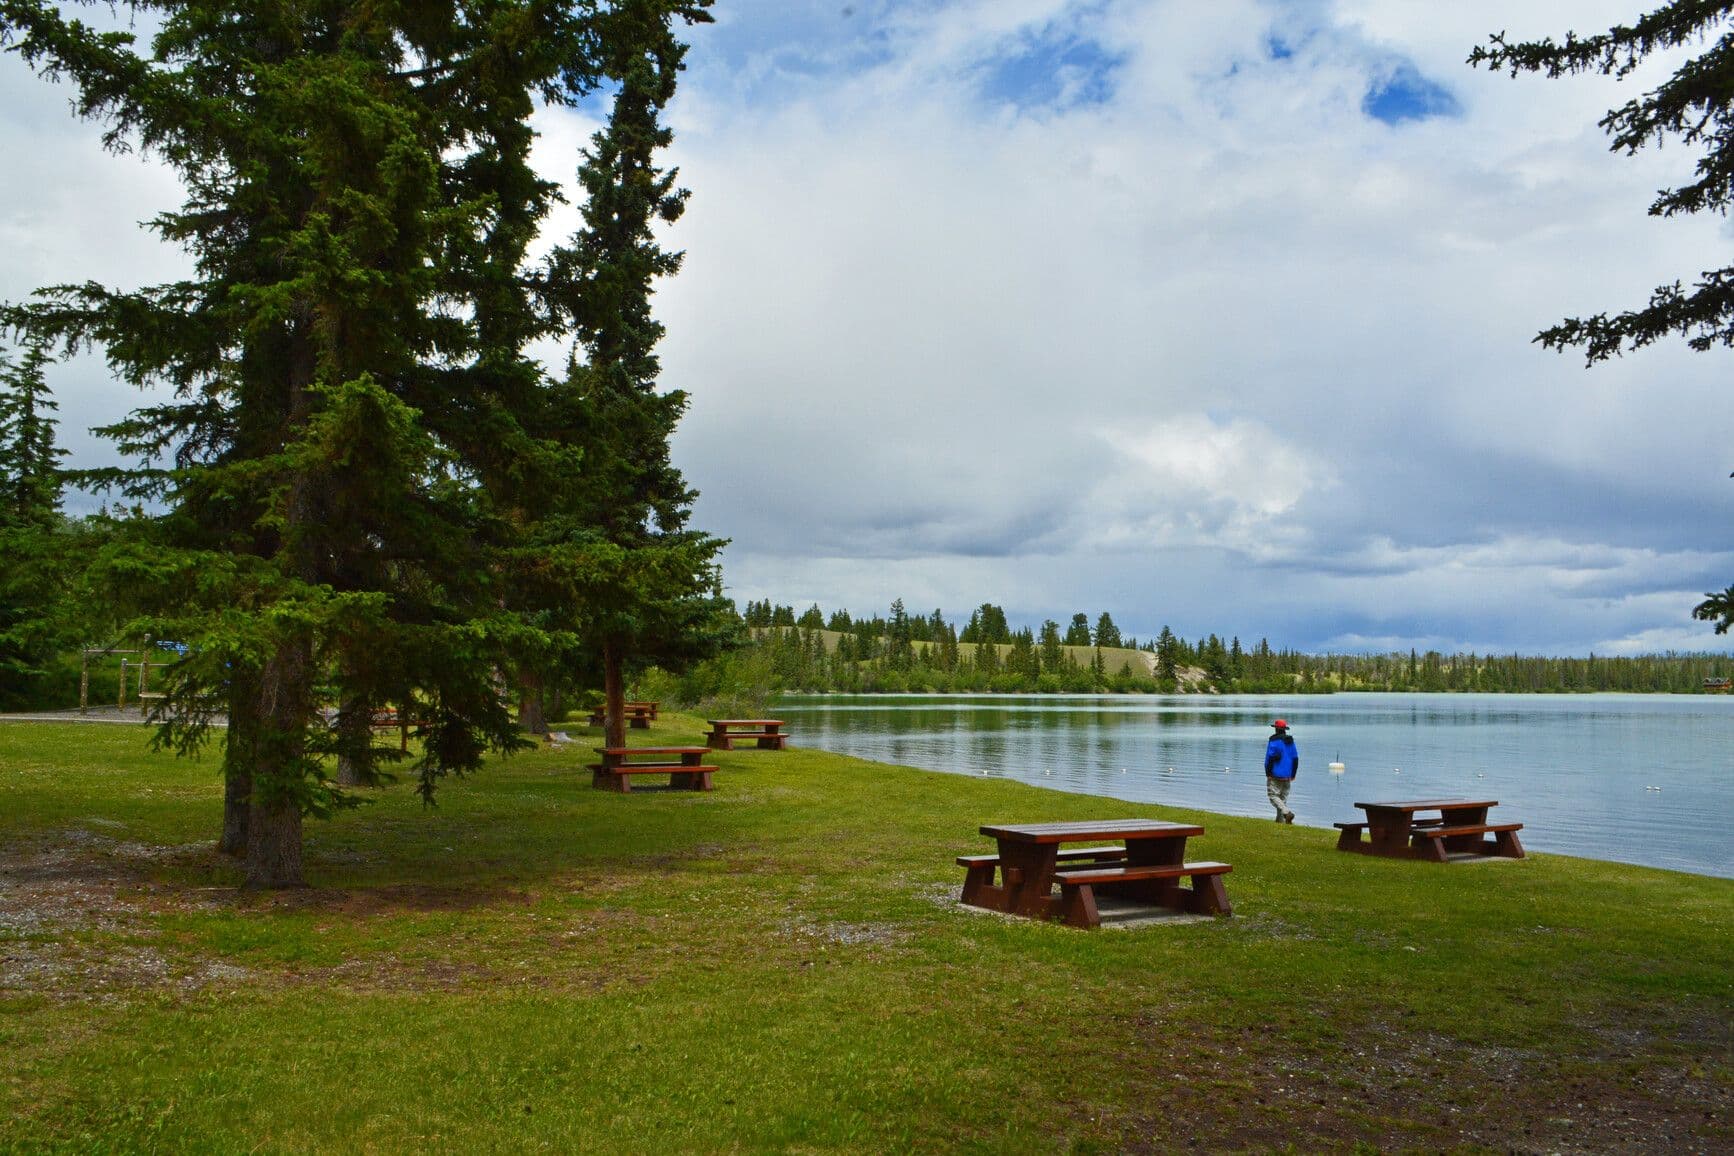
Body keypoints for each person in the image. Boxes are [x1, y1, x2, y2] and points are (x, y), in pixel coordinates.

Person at [1264, 719, 1298, 823]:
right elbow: (1295, 758)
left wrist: (1268, 773)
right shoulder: (1290, 741)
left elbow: (1269, 758)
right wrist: (1293, 774)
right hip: (1288, 774)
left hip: (1275, 773)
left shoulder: (1273, 741)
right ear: (1284, 730)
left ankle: (1287, 813)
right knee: (1283, 798)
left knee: (1273, 796)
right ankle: (1280, 821)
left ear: (1276, 729)